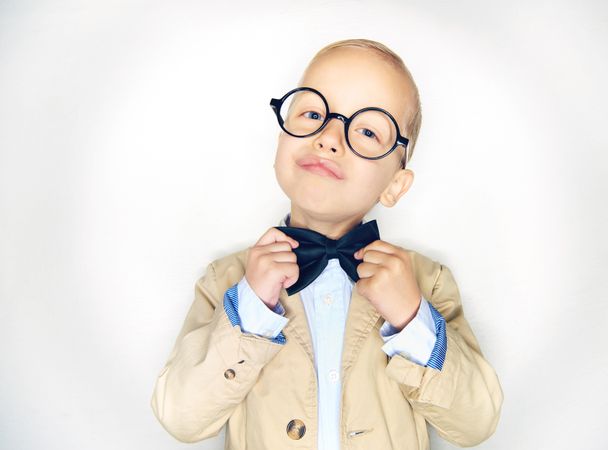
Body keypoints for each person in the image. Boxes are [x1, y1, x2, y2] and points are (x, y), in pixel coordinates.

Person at [151, 38, 503, 450]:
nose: (330, 137)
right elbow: (181, 418)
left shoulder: (428, 283)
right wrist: (250, 308)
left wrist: (412, 318)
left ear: (395, 185)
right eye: (314, 112)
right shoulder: (226, 281)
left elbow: (476, 423)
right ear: (280, 140)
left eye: (368, 130)